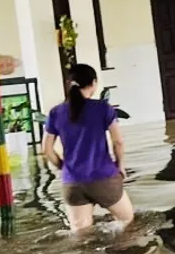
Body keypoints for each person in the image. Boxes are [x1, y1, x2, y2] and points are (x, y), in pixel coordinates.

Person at [41, 63, 133, 231]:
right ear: (94, 83)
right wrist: (120, 166)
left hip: (72, 183)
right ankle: (122, 253)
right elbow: (118, 141)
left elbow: (46, 150)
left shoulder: (55, 113)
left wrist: (62, 166)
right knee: (127, 221)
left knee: (81, 234)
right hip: (104, 177)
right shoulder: (103, 108)